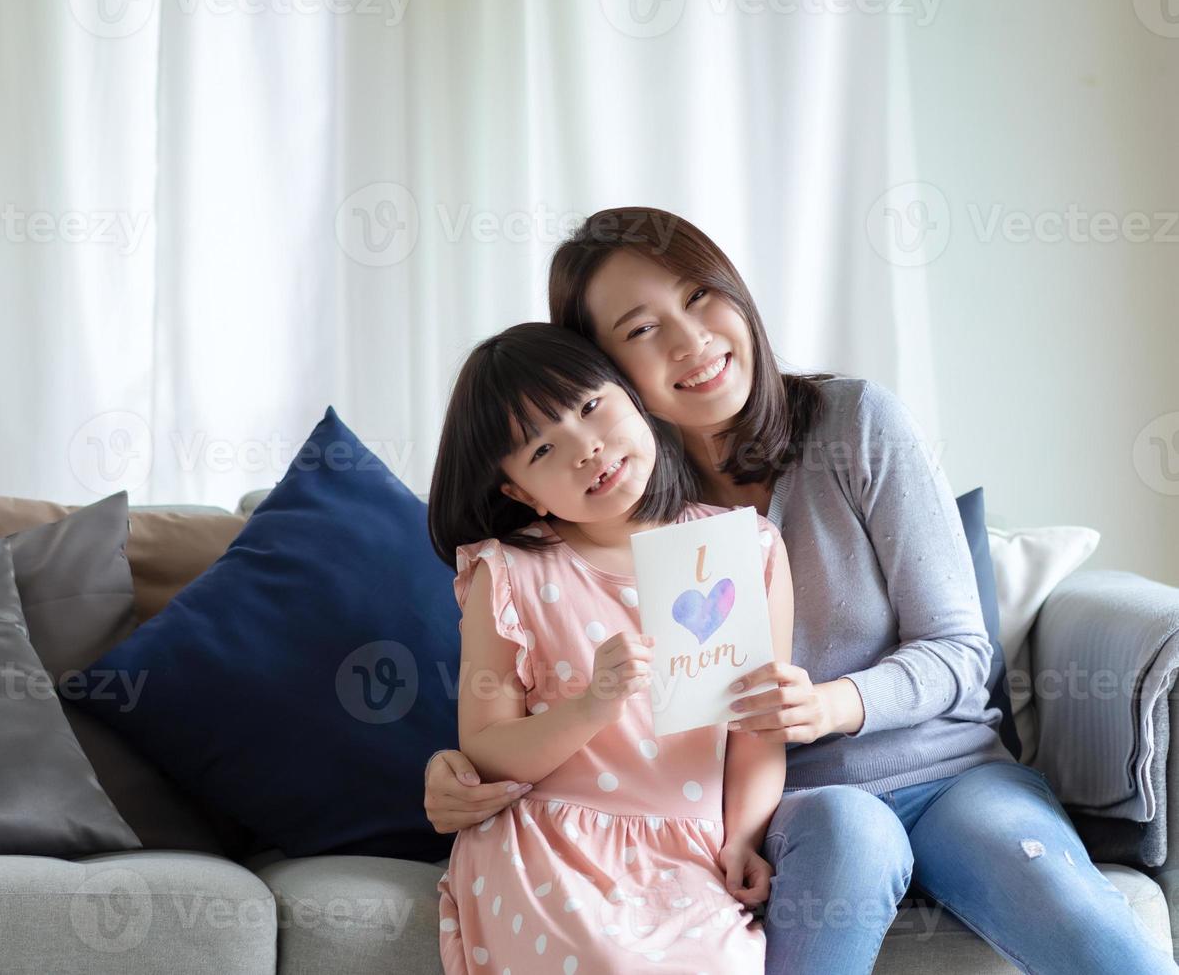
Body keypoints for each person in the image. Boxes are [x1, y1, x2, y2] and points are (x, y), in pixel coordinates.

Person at [425, 208, 1178, 973]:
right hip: (795, 808)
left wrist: (831, 705)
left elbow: (959, 648)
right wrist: (457, 767)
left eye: (697, 296)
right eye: (642, 330)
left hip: (951, 775)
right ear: (606, 369)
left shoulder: (857, 424)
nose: (691, 341)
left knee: (1081, 923)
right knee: (852, 833)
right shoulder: (613, 509)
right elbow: (543, 696)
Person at [429, 322, 793, 973]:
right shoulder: (508, 572)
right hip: (549, 843)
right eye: (542, 451)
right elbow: (485, 746)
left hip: (689, 848)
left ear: (632, 394)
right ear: (517, 491)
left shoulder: (746, 548)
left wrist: (743, 837)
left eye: (592, 407)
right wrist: (592, 706)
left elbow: (758, 728)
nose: (586, 449)